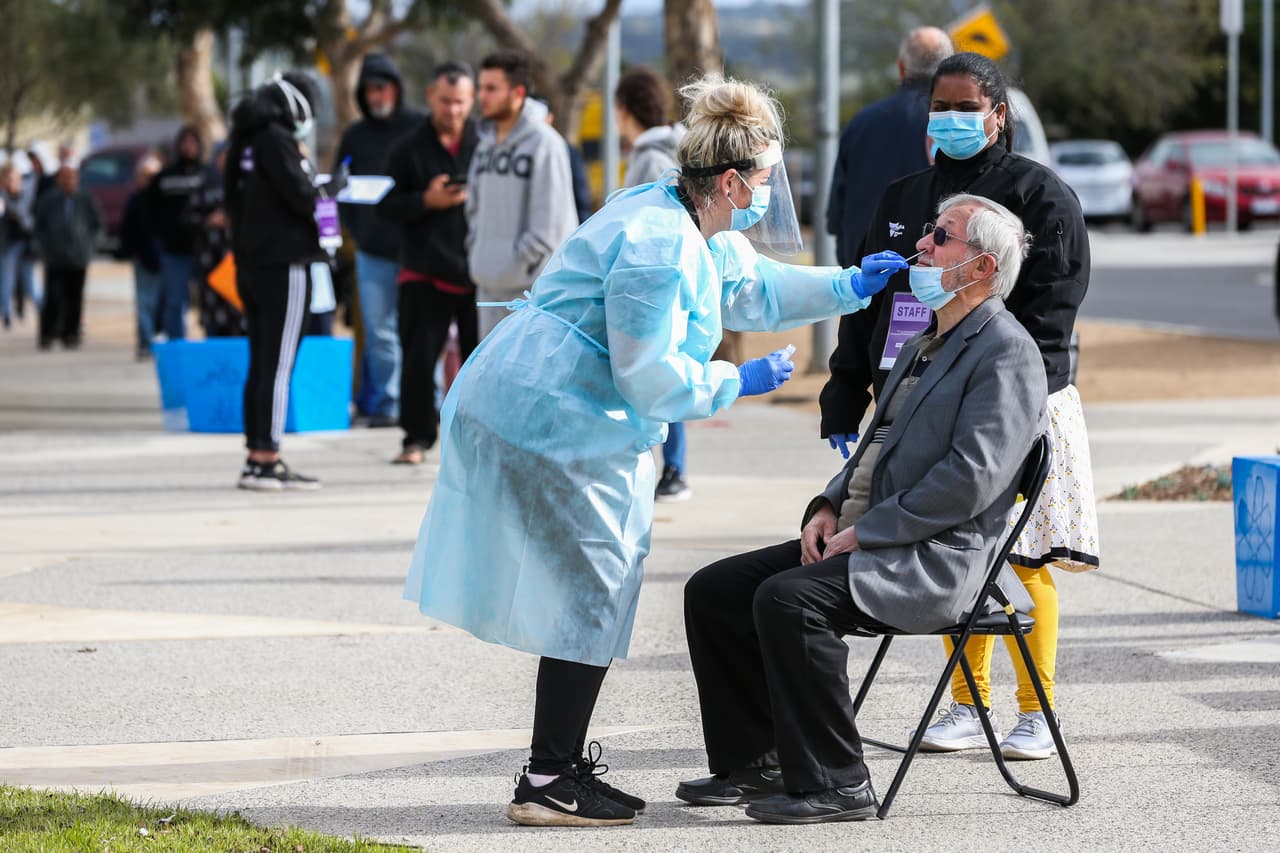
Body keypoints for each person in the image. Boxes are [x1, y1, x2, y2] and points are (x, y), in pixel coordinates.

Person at [404, 74, 907, 828]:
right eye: (766, 181)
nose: (771, 194)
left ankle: (556, 765)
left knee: (593, 579)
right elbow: (649, 381)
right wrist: (736, 378)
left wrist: (847, 285)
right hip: (545, 413)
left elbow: (754, 288)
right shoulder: (656, 246)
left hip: (564, 409)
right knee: (594, 579)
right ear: (731, 181)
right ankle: (549, 775)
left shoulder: (684, 219)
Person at [681, 194, 1046, 824]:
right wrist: (827, 506)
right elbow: (875, 445)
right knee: (714, 590)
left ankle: (839, 782)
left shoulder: (1006, 352)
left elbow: (971, 480)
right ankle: (754, 763)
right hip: (871, 535)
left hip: (932, 555)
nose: (923, 246)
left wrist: (869, 530)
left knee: (788, 600)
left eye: (942, 237)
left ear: (982, 267)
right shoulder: (925, 341)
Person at [820, 52, 1099, 761]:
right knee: (943, 541)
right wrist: (846, 389)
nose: (947, 120)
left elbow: (1050, 316)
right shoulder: (905, 198)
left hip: (1010, 401)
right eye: (937, 108)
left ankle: (1036, 709)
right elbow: (867, 305)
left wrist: (990, 377)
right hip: (915, 397)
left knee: (1019, 558)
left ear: (998, 115)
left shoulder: (1043, 199)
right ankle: (966, 701)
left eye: (964, 107)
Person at [224, 72, 338, 491]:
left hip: (251, 264)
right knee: (278, 363)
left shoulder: (245, 140)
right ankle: (268, 458)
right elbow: (302, 195)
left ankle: (257, 456)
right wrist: (331, 189)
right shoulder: (276, 139)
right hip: (284, 264)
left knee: (261, 360)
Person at [377, 61, 480, 465]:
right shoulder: (407, 148)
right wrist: (425, 200)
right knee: (418, 361)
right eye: (444, 102)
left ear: (471, 102)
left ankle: (477, 439)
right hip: (423, 270)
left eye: (459, 102)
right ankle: (416, 438)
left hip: (476, 272)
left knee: (481, 363)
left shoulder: (487, 144)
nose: (452, 111)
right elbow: (384, 206)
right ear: (430, 99)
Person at [615, 65, 694, 502]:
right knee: (665, 369)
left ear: (625, 110)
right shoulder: (675, 148)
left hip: (652, 283)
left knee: (658, 372)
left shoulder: (649, 157)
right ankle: (672, 466)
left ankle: (673, 467)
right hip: (670, 280)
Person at [335, 53, 425, 428]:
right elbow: (337, 184)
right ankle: (388, 404)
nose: (376, 95)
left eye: (382, 87)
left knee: (421, 331)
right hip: (372, 252)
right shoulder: (354, 135)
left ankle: (426, 401)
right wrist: (352, 230)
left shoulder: (421, 126)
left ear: (397, 88)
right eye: (370, 88)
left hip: (417, 248)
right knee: (379, 332)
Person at [466, 50, 578, 339]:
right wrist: (477, 252)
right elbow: (473, 208)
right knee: (489, 379)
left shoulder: (546, 144)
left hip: (530, 293)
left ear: (517, 92)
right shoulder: (484, 145)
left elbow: (551, 224)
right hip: (487, 288)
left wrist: (515, 265)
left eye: (491, 88)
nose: (482, 96)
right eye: (481, 87)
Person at [827, 26, 953, 269]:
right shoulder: (951, 123)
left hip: (865, 276)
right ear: (949, 67)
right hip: (932, 274)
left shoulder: (862, 122)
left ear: (901, 68)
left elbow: (836, 215)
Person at [145, 126, 208, 342]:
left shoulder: (208, 175)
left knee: (210, 299)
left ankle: (211, 340)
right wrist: (158, 241)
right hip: (174, 251)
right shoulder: (165, 178)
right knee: (175, 302)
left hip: (206, 250)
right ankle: (177, 343)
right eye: (185, 142)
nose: (189, 146)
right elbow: (150, 211)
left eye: (193, 142)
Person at [33, 156, 103, 350]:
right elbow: (39, 225)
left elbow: (98, 225)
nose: (68, 180)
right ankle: (47, 334)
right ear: (58, 178)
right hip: (55, 257)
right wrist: (44, 247)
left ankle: (70, 334)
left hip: (78, 256)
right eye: (64, 176)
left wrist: (89, 246)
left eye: (71, 176)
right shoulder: (49, 199)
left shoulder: (86, 198)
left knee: (75, 297)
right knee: (53, 297)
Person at [184, 142, 243, 338]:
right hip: (211, 261)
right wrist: (209, 220)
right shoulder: (204, 183)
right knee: (214, 319)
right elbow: (187, 218)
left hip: (239, 260)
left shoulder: (246, 184)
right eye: (223, 155)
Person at [115, 153, 165, 358]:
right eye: (146, 175)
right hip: (143, 259)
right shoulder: (135, 200)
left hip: (165, 259)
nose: (150, 179)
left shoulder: (165, 199)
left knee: (165, 303)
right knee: (145, 303)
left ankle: (162, 339)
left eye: (154, 175)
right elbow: (127, 230)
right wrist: (130, 252)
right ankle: (145, 343)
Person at [1, 160, 36, 330]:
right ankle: (6, 314)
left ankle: (48, 313)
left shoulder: (27, 193)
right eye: (8, 178)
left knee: (31, 285)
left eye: (15, 178)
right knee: (6, 281)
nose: (12, 181)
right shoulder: (2, 196)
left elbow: (24, 215)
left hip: (27, 243)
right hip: (7, 245)